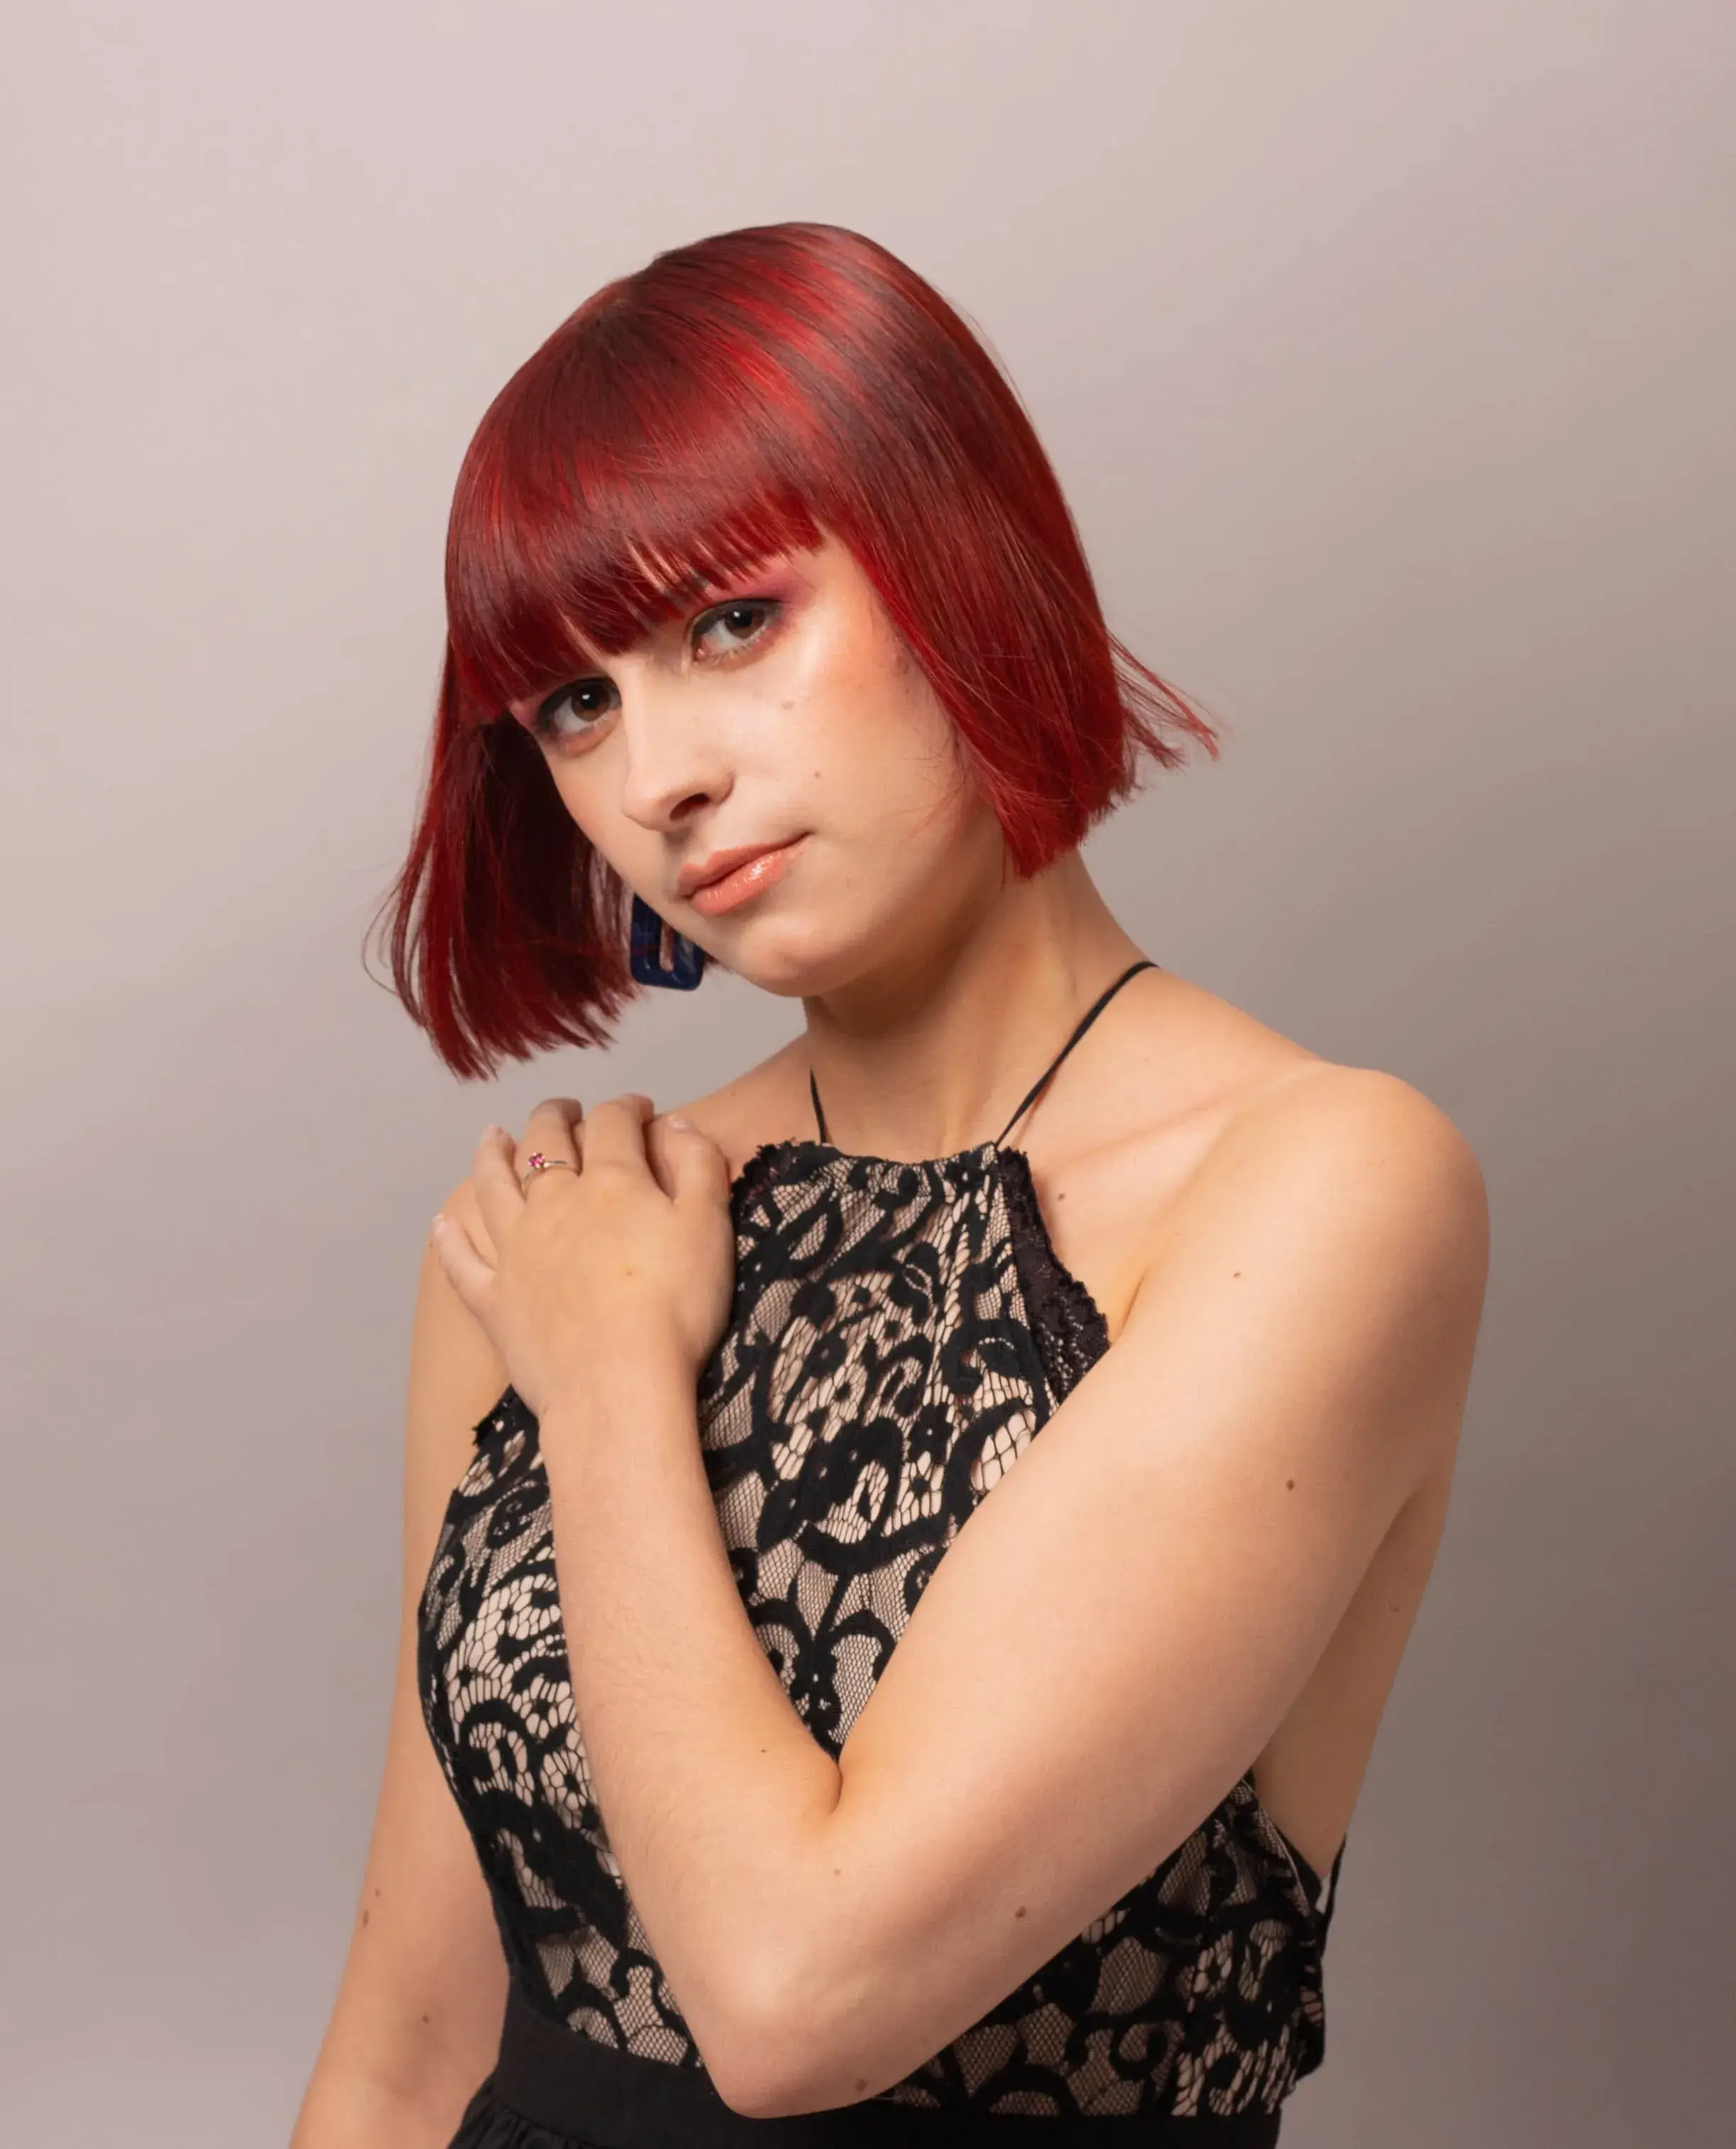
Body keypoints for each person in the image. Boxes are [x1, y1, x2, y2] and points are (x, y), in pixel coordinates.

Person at [291, 222, 1488, 2149]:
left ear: (950, 548)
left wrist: (608, 1377)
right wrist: (579, 1305)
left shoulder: (1323, 1187)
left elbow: (793, 1992)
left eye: (729, 622)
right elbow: (410, 2044)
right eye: (573, 705)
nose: (654, 774)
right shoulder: (565, 1227)